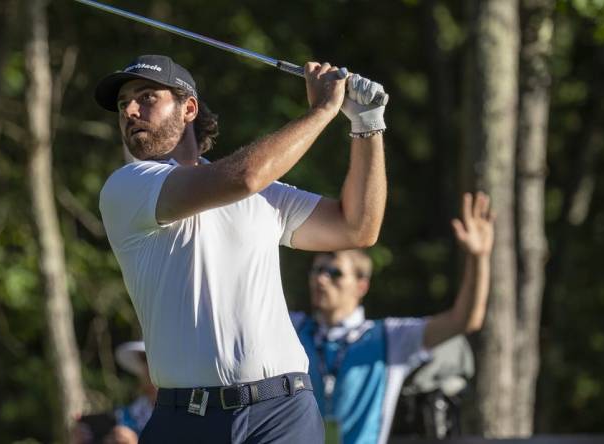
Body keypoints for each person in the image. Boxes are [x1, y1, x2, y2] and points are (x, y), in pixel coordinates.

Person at [95, 53, 388, 444]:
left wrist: (367, 125)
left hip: (281, 413)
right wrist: (323, 110)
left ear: (189, 108)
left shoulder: (266, 197)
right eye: (122, 104)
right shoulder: (127, 186)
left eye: (146, 97)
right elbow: (244, 177)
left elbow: (357, 228)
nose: (130, 110)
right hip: (184, 420)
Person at [291, 192, 494, 444]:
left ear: (361, 286)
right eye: (317, 270)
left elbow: (465, 320)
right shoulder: (292, 328)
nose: (321, 279)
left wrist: (478, 258)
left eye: (334, 272)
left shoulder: (390, 337)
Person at [75, 341, 156, 444]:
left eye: (153, 360)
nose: (147, 368)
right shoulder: (122, 415)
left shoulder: (180, 418)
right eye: (144, 359)